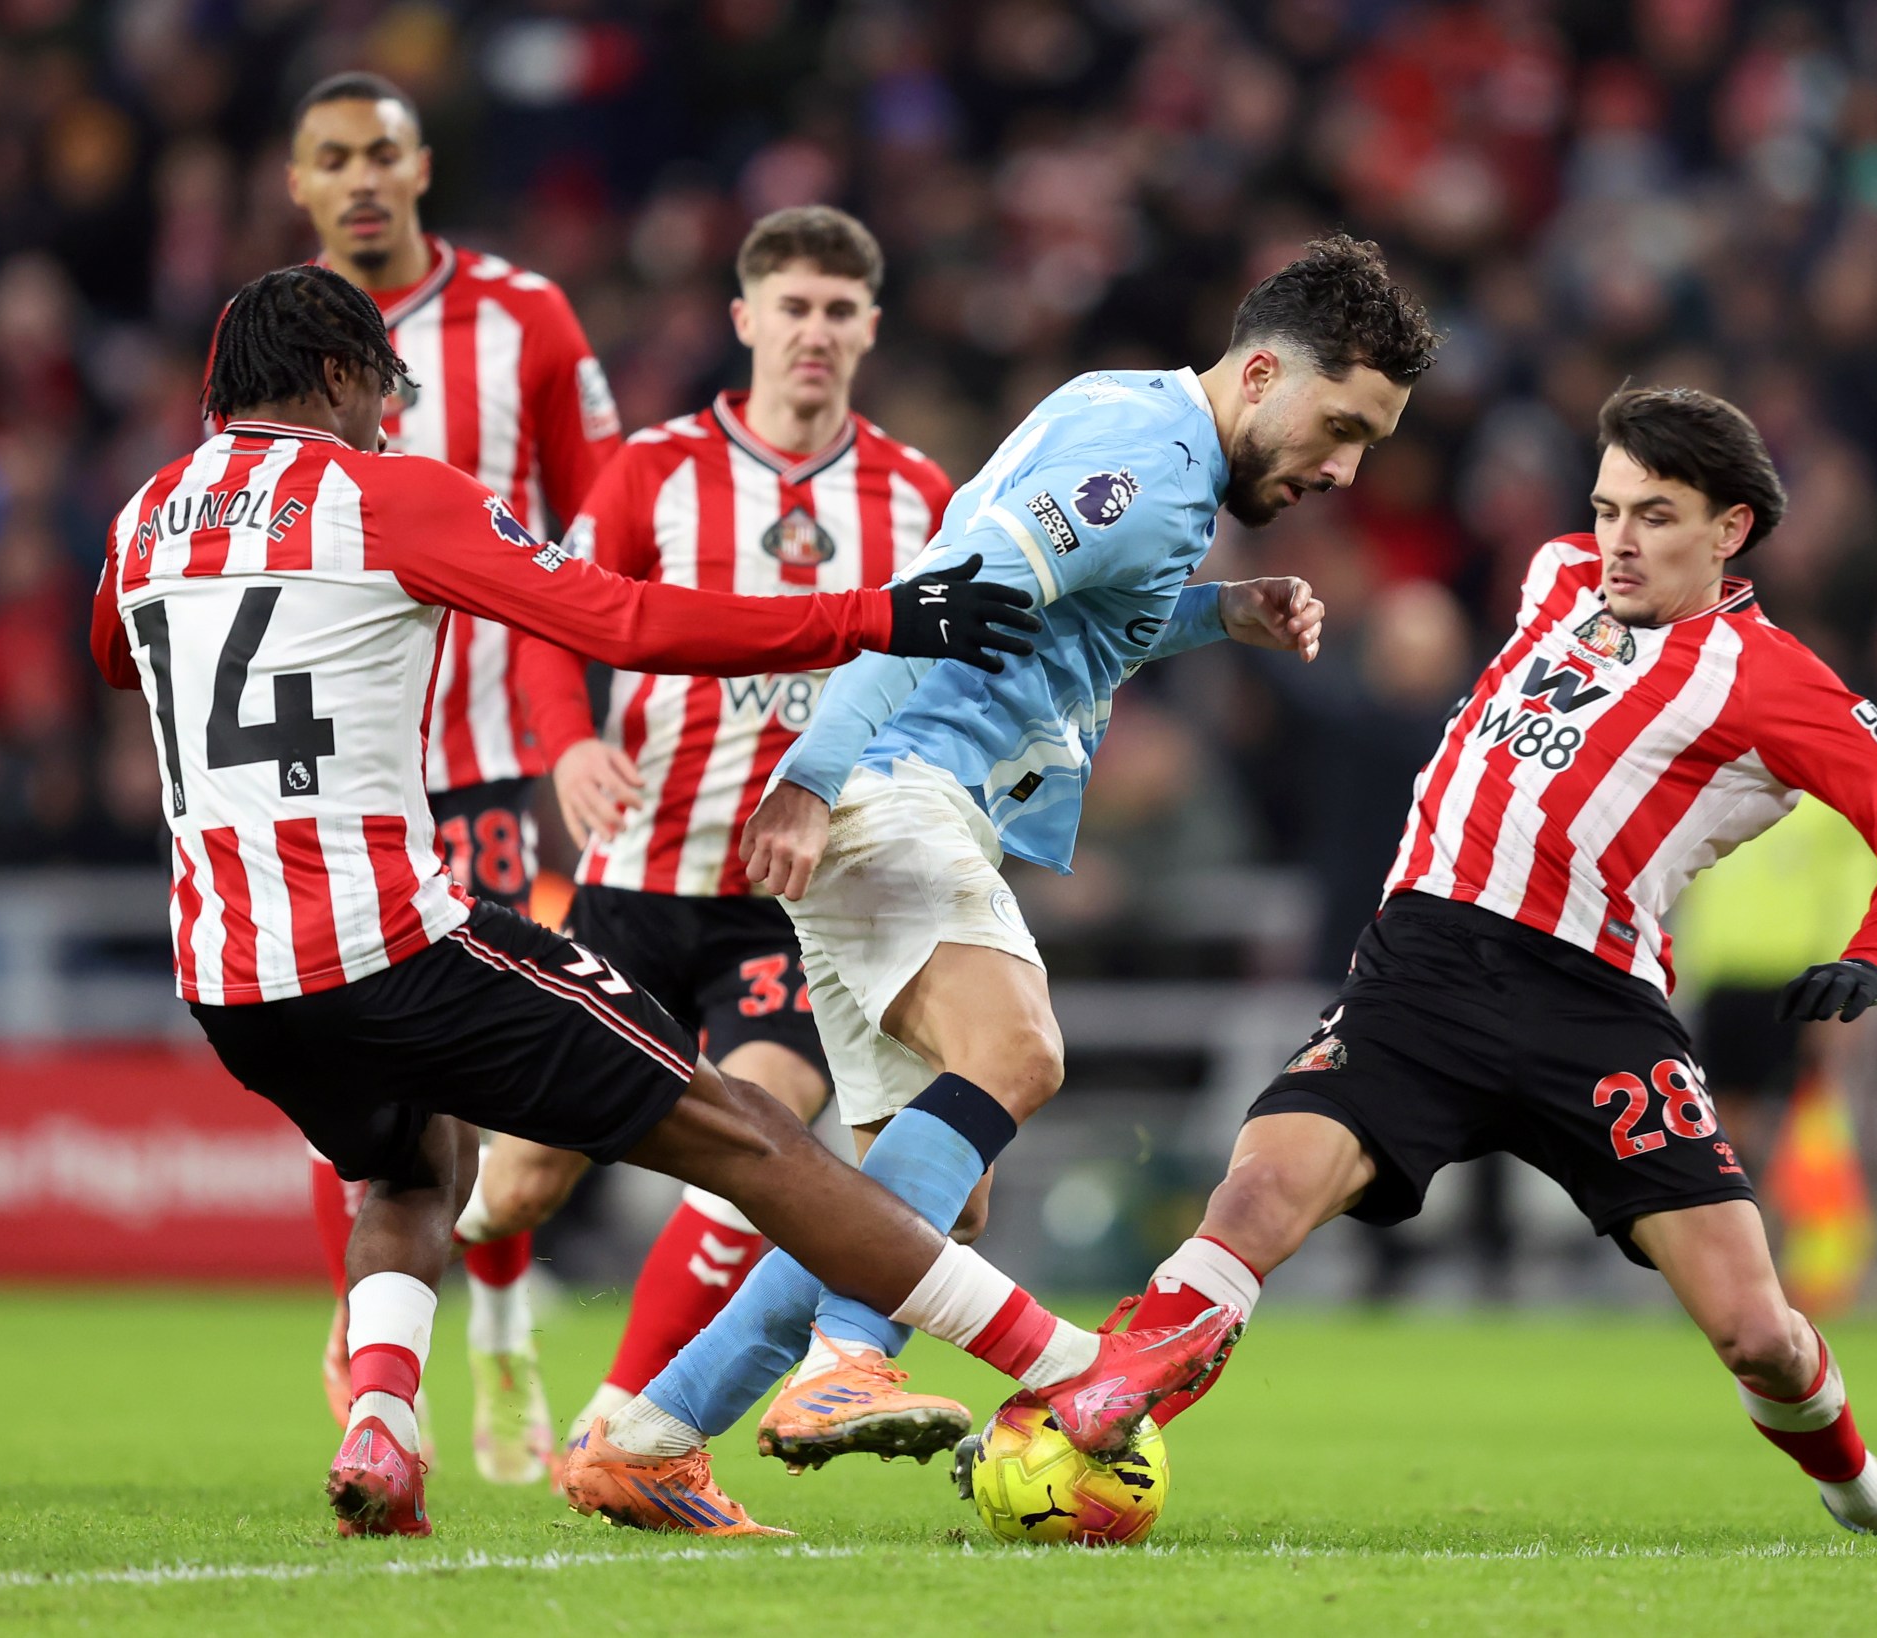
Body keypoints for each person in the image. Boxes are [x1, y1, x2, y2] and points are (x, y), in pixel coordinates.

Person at [94, 264, 1232, 1540]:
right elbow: (617, 620)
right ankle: (1064, 1359)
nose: (389, 420)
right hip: (389, 938)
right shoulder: (386, 494)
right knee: (742, 1132)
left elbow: (108, 652)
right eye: (385, 395)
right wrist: (868, 614)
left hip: (226, 975)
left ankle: (385, 1423)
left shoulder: (144, 518)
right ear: (348, 376)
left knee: (413, 1167)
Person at [555, 234, 1437, 1527]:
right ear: (1261, 372)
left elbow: (1060, 618)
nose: (1346, 469)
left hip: (901, 792)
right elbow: (943, 594)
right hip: (893, 781)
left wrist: (1218, 613)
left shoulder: (1134, 418)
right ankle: (848, 1364)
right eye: (1342, 425)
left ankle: (653, 1429)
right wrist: (812, 776)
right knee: (1016, 1049)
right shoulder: (1145, 469)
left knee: (918, 1201)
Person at [1089, 385, 1877, 1538]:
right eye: (1606, 509)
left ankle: (1876, 1497)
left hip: (1596, 1010)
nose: (1619, 541)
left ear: (1730, 530)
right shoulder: (1555, 577)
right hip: (1424, 972)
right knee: (1252, 1197)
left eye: (1655, 515)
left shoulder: (1770, 677)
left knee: (1758, 1330)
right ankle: (1080, 1426)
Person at [451, 205, 954, 1444]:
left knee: (763, 1141)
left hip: (794, 905)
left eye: (840, 310)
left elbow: (939, 686)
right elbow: (547, 619)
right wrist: (567, 739)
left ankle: (622, 1417)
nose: (816, 332)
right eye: (793, 306)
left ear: (871, 327)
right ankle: (481, 1312)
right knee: (515, 1188)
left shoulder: (920, 494)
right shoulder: (653, 473)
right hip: (633, 883)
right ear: (745, 319)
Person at [280, 70, 623, 1482]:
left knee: (483, 1071)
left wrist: (583, 720)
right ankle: (387, 1348)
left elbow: (602, 511)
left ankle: (501, 1326)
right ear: (299, 185)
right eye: (332, 159)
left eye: (382, 153)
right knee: (345, 1062)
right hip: (335, 759)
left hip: (484, 754)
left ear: (422, 169)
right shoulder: (270, 334)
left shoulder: (526, 318)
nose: (360, 178)